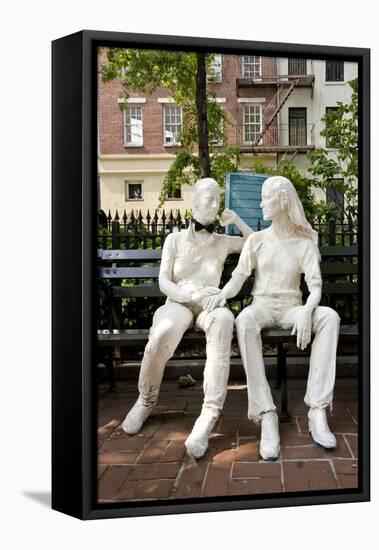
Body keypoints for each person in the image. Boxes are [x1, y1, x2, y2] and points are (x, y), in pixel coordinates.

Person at [206, 176, 340, 460]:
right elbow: (238, 278)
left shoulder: (304, 243)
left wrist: (306, 311)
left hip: (292, 306)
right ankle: (266, 414)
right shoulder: (256, 240)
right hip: (263, 306)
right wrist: (222, 295)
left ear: (282, 201)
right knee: (244, 320)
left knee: (329, 316)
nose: (260, 203)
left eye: (265, 198)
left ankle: (317, 409)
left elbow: (315, 287)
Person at [122, 177, 253, 458]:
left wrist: (238, 220)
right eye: (209, 198)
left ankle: (208, 416)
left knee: (224, 320)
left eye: (218, 199)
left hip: (209, 305)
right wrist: (190, 297)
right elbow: (163, 283)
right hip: (179, 302)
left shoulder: (222, 242)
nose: (215, 204)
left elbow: (254, 243)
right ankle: (146, 400)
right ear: (193, 202)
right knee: (162, 333)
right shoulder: (175, 240)